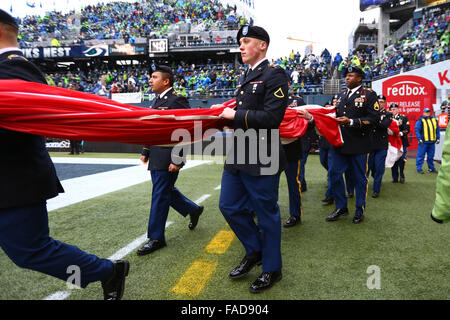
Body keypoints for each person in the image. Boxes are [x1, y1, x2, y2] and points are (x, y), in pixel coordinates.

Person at [0, 9, 128, 300]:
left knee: (31, 252)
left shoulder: (15, 67)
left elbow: (18, 124)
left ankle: (107, 271)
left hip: (12, 181)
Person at [213, 25, 288, 293]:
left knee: (267, 215)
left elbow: (271, 118)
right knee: (229, 206)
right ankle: (254, 250)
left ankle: (272, 269)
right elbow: (246, 113)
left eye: (246, 41)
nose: (241, 46)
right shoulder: (247, 75)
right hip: (240, 151)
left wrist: (234, 116)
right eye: (240, 42)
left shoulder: (274, 74)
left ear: (262, 45)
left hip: (262, 153)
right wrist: (225, 112)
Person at [137, 65, 204, 256]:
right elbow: (153, 129)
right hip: (156, 155)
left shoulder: (177, 100)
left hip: (168, 157)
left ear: (166, 81)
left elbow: (186, 131)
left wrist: (178, 159)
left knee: (159, 195)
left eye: (154, 77)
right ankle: (193, 209)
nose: (150, 80)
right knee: (165, 191)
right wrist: (146, 150)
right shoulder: (156, 101)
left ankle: (156, 237)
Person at [325, 66, 379, 224]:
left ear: (359, 78)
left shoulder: (369, 94)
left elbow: (374, 119)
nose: (347, 78)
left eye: (350, 75)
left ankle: (359, 210)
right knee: (334, 175)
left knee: (360, 180)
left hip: (359, 145)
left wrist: (352, 121)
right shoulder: (341, 95)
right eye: (346, 76)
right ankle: (341, 207)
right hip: (340, 144)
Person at [282, 92, 306, 228]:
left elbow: (304, 121)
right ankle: (264, 210)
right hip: (271, 146)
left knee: (293, 183)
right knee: (268, 183)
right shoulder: (266, 98)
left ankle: (295, 214)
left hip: (291, 147)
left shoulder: (297, 101)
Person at [367, 95, 392, 198]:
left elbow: (384, 125)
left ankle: (376, 190)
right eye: (378, 101)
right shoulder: (370, 113)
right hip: (370, 145)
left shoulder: (388, 114)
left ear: (385, 103)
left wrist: (373, 120)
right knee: (370, 168)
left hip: (381, 146)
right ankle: (372, 182)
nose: (380, 103)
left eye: (382, 101)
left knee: (379, 168)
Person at [430, 123, 450, 224]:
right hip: (426, 141)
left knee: (430, 156)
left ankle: (430, 168)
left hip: (430, 141)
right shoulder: (422, 121)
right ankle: (421, 168)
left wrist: (440, 211)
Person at [415, 108, 440, 174]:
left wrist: (438, 138)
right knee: (421, 156)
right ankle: (419, 168)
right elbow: (417, 130)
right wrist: (419, 139)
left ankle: (431, 168)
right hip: (423, 142)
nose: (427, 113)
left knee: (431, 156)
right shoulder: (420, 120)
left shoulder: (434, 120)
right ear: (423, 113)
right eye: (426, 112)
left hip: (432, 142)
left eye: (428, 112)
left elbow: (437, 130)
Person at [390, 103, 410, 183]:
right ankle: (395, 177)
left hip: (402, 141)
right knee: (393, 160)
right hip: (392, 143)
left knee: (402, 160)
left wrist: (400, 133)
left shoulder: (403, 117)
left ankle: (402, 175)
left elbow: (407, 129)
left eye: (394, 109)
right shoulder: (389, 118)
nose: (392, 111)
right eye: (391, 109)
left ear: (398, 109)